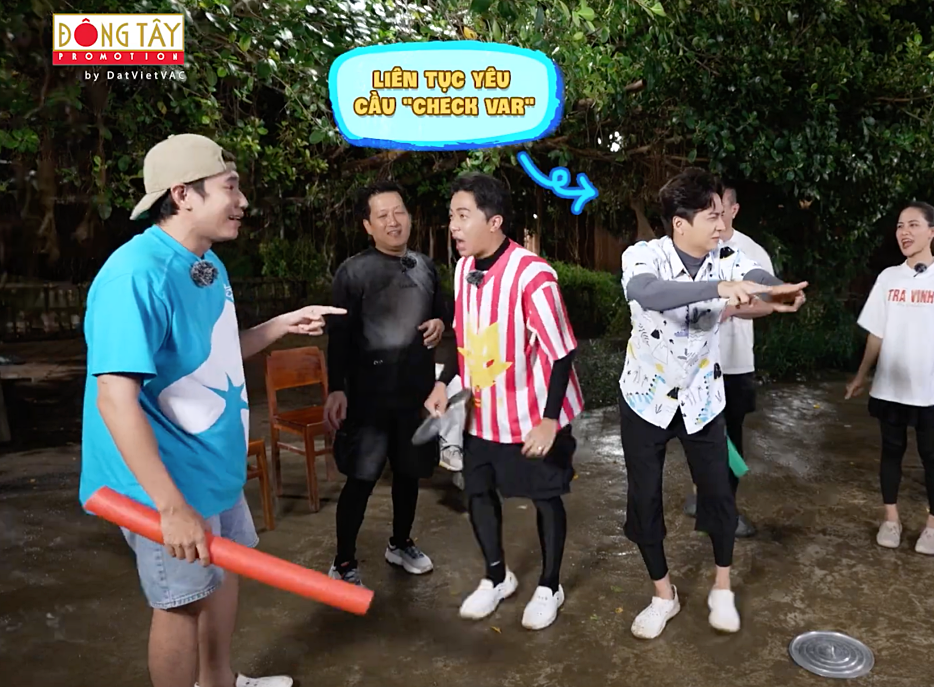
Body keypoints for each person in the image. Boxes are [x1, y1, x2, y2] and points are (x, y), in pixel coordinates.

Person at [79, 134, 345, 687]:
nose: (242, 200)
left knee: (222, 573)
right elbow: (115, 398)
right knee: (181, 602)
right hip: (165, 481)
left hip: (211, 465)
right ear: (183, 195)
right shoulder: (135, 276)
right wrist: (170, 506)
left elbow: (214, 355)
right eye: (230, 187)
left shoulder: (207, 265)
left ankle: (220, 681)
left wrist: (282, 324)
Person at [618, 168, 808, 640]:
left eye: (723, 215)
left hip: (702, 399)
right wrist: (717, 289)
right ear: (680, 224)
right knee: (644, 499)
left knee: (719, 493)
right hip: (645, 398)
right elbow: (647, 293)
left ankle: (722, 586)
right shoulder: (644, 255)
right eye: (712, 217)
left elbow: (755, 275)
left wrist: (776, 289)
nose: (722, 226)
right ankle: (663, 595)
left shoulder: (727, 256)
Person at [424, 171, 584, 631]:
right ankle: (497, 576)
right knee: (477, 492)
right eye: (451, 216)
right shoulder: (463, 268)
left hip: (534, 414)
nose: (453, 226)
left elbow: (562, 352)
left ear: (494, 221)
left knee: (545, 497)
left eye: (462, 216)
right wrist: (445, 382)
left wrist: (550, 421)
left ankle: (550, 585)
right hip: (483, 413)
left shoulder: (534, 276)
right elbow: (464, 338)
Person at [322, 181, 447, 587]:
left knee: (409, 474)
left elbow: (442, 315)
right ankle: (343, 561)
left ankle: (400, 543)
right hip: (368, 397)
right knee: (361, 479)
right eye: (383, 216)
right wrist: (336, 388)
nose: (394, 222)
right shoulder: (353, 272)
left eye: (399, 212)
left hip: (414, 393)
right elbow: (338, 336)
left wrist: (440, 323)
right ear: (368, 226)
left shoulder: (426, 266)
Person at [846, 201, 934, 556]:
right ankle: (891, 519)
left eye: (913, 225)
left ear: (932, 232)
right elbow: (876, 333)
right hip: (891, 385)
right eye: (899, 226)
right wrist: (861, 375)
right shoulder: (888, 278)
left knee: (932, 456)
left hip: (933, 387)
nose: (904, 232)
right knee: (891, 452)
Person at [683, 180, 773, 537]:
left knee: (730, 439)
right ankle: (701, 494)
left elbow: (768, 303)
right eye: (709, 211)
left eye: (721, 210)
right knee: (696, 433)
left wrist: (729, 309)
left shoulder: (751, 252)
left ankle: (727, 510)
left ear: (733, 210)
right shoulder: (693, 246)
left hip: (733, 364)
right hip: (692, 364)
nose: (715, 218)